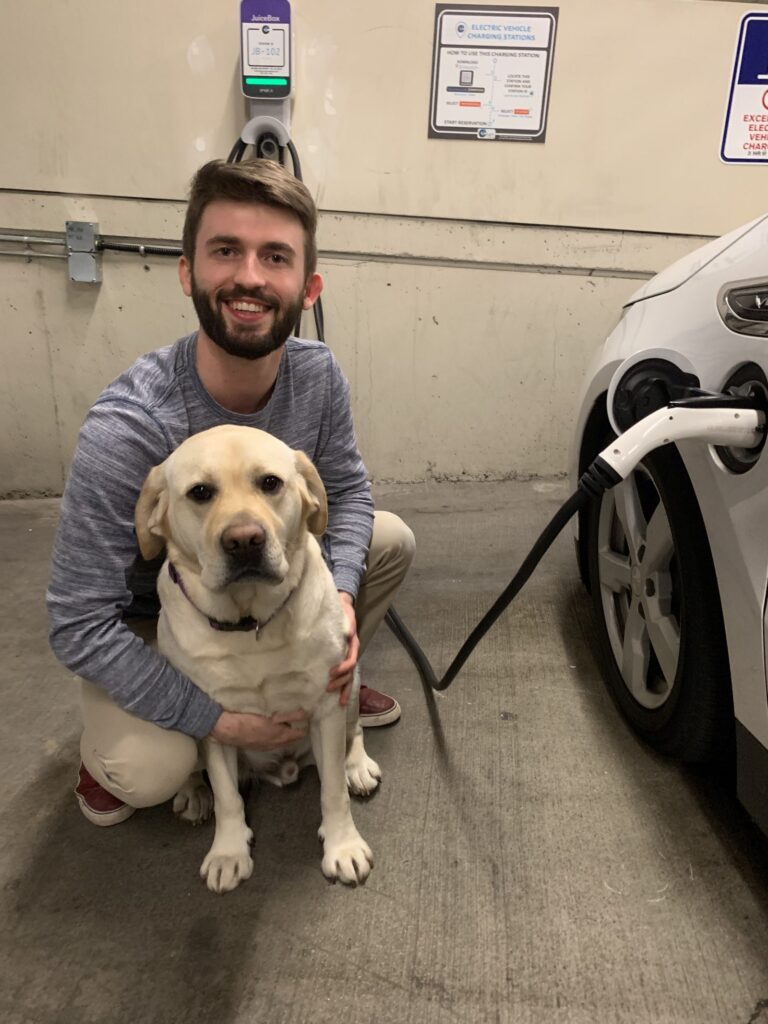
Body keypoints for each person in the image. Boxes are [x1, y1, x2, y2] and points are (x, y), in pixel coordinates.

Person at [46, 158, 415, 827]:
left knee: (387, 539)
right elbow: (77, 623)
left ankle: (317, 683)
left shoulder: (318, 375)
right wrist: (217, 720)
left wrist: (340, 604)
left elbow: (351, 496)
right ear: (188, 271)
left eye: (275, 256)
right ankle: (113, 747)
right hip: (155, 625)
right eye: (226, 251)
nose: (250, 275)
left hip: (277, 604)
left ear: (307, 287)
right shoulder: (129, 425)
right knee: (152, 772)